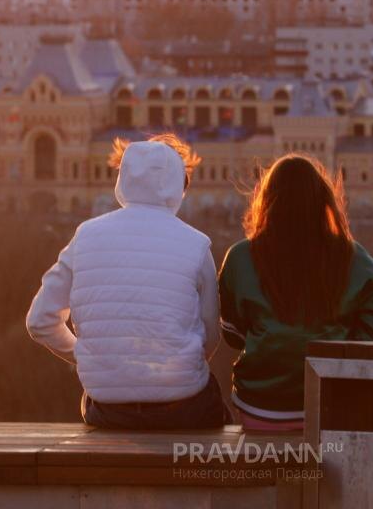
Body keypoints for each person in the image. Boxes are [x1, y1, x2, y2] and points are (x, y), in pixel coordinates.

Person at [26, 133, 229, 430]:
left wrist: (89, 355)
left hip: (109, 411)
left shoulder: (85, 236)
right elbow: (211, 334)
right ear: (177, 186)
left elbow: (40, 321)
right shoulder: (197, 245)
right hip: (184, 406)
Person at [219, 153, 373, 431]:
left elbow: (232, 334)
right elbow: (369, 333)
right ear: (323, 201)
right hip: (332, 406)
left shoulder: (241, 257)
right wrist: (336, 341)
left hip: (261, 408)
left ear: (267, 200)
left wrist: (270, 336)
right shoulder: (354, 258)